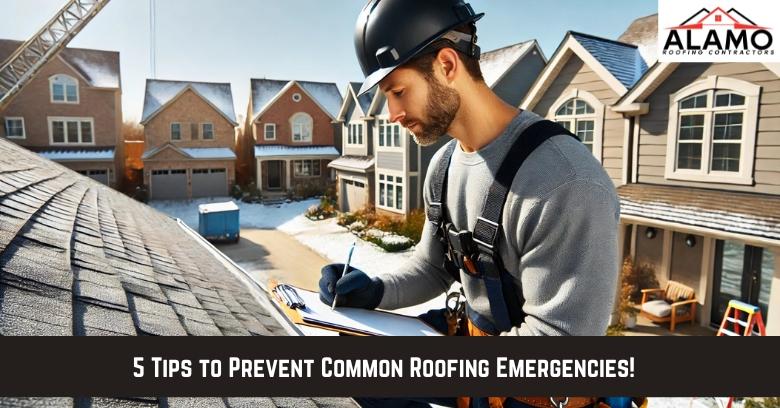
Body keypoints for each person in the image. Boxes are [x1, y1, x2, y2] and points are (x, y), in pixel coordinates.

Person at [320, 0, 620, 338]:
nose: (392, 114)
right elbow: (433, 268)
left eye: (399, 92)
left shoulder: (563, 182)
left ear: (447, 65)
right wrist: (374, 291)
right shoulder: (443, 168)